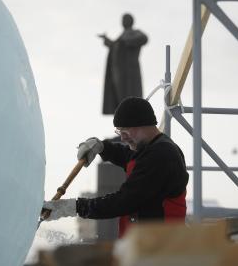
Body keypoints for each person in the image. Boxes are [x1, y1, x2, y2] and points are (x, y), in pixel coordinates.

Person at [43, 97, 189, 237]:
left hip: (161, 248)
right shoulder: (149, 148)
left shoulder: (161, 155)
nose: (123, 138)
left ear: (143, 124)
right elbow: (127, 156)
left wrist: (74, 207)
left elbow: (124, 201)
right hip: (145, 244)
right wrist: (102, 147)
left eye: (125, 132)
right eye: (119, 132)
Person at [99, 13, 148, 115]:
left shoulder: (135, 32)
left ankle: (131, 120)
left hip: (130, 73)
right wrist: (106, 40)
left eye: (125, 19)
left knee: (131, 98)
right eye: (123, 19)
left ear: (130, 21)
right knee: (120, 100)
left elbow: (144, 38)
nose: (123, 21)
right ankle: (124, 120)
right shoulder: (121, 35)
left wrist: (127, 40)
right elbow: (115, 45)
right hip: (118, 73)